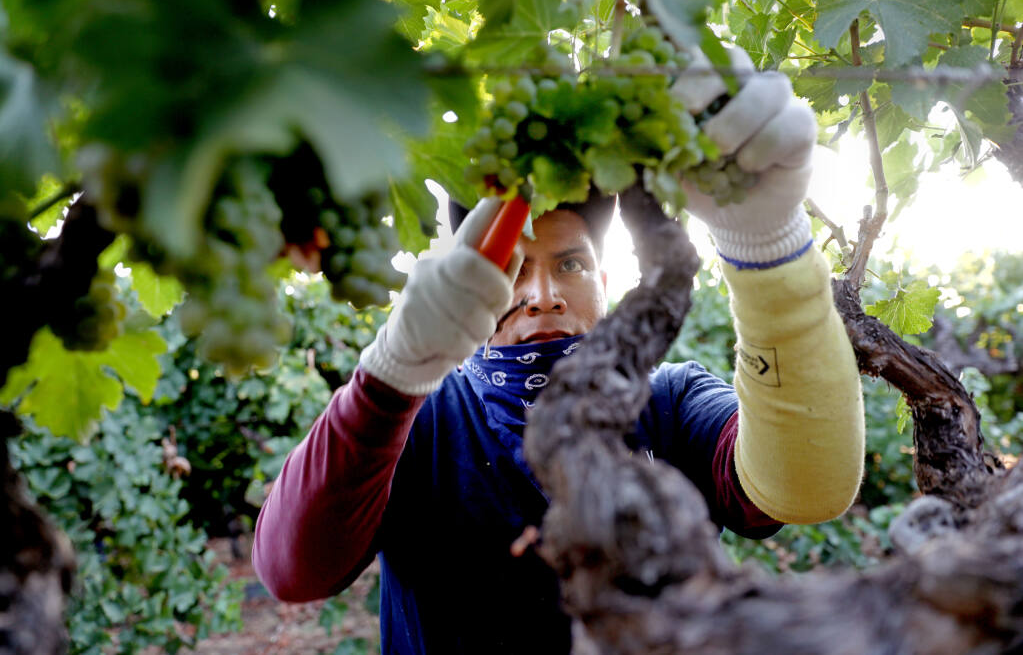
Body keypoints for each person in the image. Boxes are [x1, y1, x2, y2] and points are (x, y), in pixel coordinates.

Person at [252, 49, 866, 654]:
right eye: (513, 267)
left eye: (570, 264)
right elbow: (293, 571)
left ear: (604, 283)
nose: (542, 295)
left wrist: (769, 250)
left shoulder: (672, 400)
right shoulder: (420, 419)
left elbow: (807, 489)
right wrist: (391, 373)